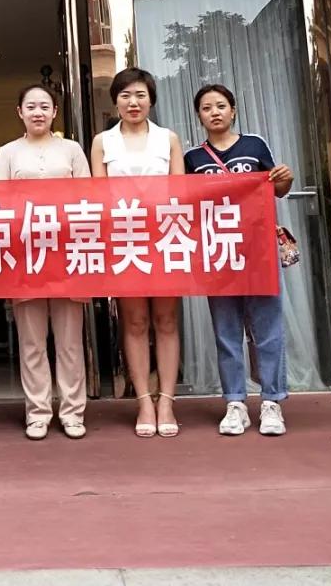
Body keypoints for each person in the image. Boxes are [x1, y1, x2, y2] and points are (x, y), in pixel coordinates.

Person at [184, 83, 294, 436]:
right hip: (219, 252)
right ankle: (235, 403)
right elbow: (184, 203)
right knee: (226, 330)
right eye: (206, 108)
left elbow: (277, 188)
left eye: (220, 105)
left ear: (233, 110)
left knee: (268, 328)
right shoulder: (192, 158)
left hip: (259, 250)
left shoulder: (255, 145)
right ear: (199, 116)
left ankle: (272, 402)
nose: (214, 112)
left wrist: (285, 179)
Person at [90, 67, 185, 438]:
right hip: (124, 238)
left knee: (166, 320)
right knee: (134, 322)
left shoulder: (168, 139)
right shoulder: (102, 142)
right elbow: (98, 196)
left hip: (165, 238)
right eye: (126, 95)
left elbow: (181, 192)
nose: (133, 102)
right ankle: (144, 401)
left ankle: (167, 402)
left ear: (151, 100)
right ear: (115, 101)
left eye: (140, 95)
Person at [0, 84, 90, 440]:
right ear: (19, 112)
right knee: (32, 342)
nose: (38, 112)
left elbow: (89, 197)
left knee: (69, 342)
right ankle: (37, 413)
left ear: (54, 112)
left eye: (44, 106)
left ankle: (73, 412)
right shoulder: (7, 152)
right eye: (31, 106)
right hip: (25, 256)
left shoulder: (72, 150)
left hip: (68, 253)